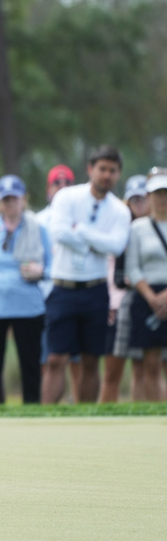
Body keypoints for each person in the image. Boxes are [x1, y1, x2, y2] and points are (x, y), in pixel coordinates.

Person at [43, 146, 130, 404]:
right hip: (63, 288)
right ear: (90, 169)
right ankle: (46, 417)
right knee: (56, 358)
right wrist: (94, 242)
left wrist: (80, 231)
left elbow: (116, 246)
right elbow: (58, 232)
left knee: (91, 359)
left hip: (95, 289)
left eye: (112, 171)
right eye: (102, 169)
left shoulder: (119, 210)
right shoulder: (67, 197)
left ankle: (86, 415)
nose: (106, 175)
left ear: (118, 174)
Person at [0, 175, 51, 404]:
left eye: (14, 199)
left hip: (28, 303)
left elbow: (50, 267)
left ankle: (32, 409)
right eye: (5, 199)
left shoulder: (38, 228)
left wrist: (39, 272)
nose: (10, 204)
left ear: (23, 199)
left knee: (30, 362)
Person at [36, 164, 82, 392]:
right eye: (57, 183)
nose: (62, 188)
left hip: (78, 291)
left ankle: (79, 409)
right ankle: (53, 410)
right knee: (51, 358)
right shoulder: (38, 220)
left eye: (67, 183)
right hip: (47, 295)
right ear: (48, 188)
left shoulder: (82, 218)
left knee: (79, 360)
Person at [103, 175, 149, 402]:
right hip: (118, 306)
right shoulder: (119, 230)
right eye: (134, 199)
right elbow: (115, 276)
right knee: (112, 371)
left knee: (144, 368)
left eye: (143, 198)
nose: (139, 203)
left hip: (148, 305)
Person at [123, 169, 167, 402]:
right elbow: (133, 267)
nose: (161, 198)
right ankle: (155, 410)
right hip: (147, 297)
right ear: (149, 196)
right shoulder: (138, 228)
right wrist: (153, 298)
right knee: (150, 362)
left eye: (165, 193)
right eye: (157, 193)